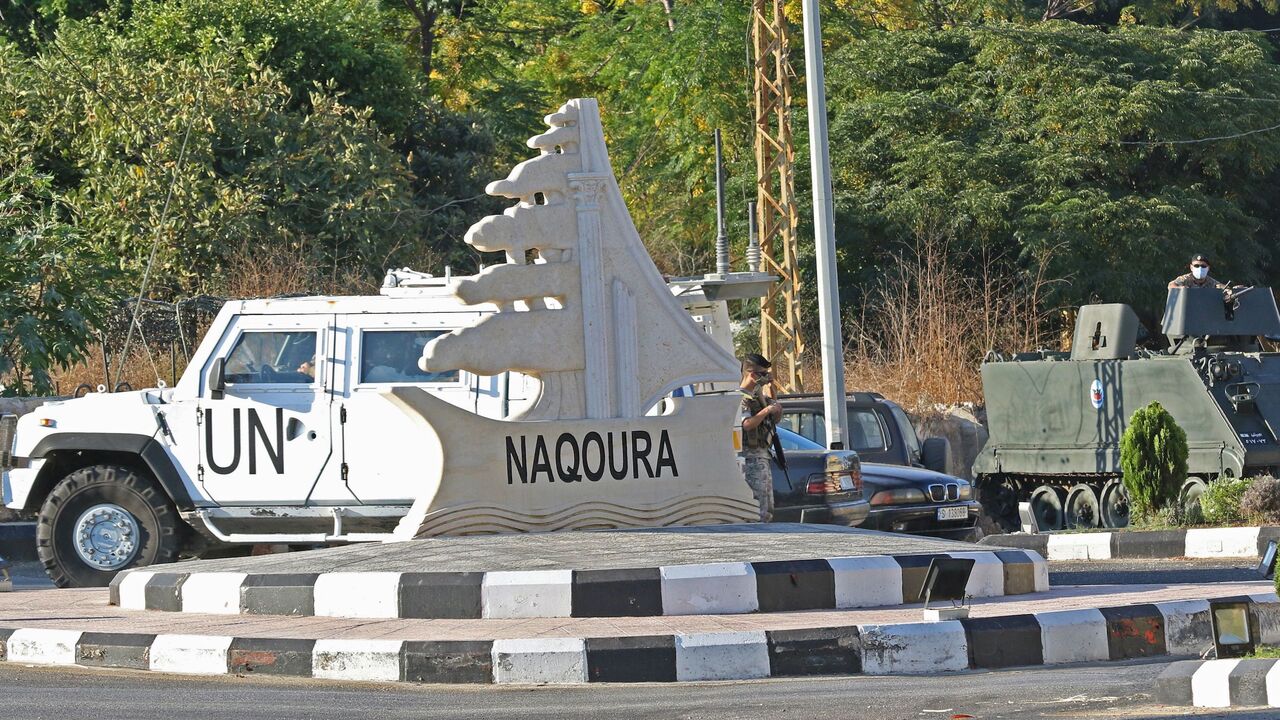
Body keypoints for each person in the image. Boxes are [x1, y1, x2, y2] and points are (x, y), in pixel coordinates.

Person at [738, 353, 781, 523]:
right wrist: (766, 411)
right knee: (759, 508)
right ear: (752, 374)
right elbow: (747, 424)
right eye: (763, 374)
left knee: (767, 506)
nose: (766, 378)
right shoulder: (741, 397)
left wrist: (773, 402)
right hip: (750, 457)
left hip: (762, 455)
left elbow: (773, 420)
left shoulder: (758, 396)